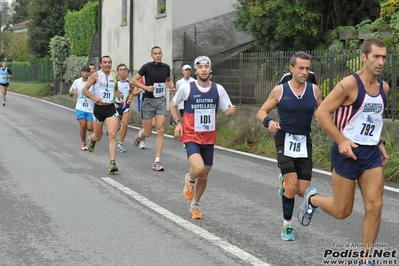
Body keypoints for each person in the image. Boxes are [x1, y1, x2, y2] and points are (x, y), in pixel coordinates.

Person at [297, 38, 389, 266]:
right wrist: (341, 140)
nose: (381, 61)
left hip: (370, 155)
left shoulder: (383, 88)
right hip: (346, 153)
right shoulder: (349, 84)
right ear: (363, 57)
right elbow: (322, 114)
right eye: (376, 56)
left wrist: (379, 142)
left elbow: (372, 119)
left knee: (375, 205)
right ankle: (313, 199)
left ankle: (366, 260)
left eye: (384, 57)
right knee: (342, 211)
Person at [256, 52, 323, 241]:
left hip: (304, 142)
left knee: (302, 191)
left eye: (307, 68)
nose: (304, 72)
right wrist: (268, 122)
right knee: (292, 187)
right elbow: (261, 112)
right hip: (284, 139)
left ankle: (283, 184)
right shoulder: (280, 90)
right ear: (291, 69)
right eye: (301, 68)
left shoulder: (314, 90)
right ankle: (287, 224)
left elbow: (324, 111)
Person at [170, 55, 236, 220]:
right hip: (191, 135)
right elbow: (173, 104)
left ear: (211, 69)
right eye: (200, 67)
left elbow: (225, 111)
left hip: (209, 138)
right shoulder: (187, 88)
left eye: (206, 66)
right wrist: (178, 122)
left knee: (205, 175)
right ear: (196, 70)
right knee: (198, 169)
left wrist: (229, 112)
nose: (204, 69)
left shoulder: (218, 89)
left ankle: (195, 204)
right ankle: (190, 178)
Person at [130, 46, 176, 171]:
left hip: (160, 100)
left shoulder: (166, 67)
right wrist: (145, 88)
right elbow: (133, 81)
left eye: (159, 53)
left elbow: (168, 79)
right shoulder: (146, 67)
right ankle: (141, 134)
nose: (158, 55)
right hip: (148, 101)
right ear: (151, 55)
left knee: (160, 129)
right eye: (155, 53)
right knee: (148, 132)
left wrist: (172, 88)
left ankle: (157, 161)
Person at [82, 55, 124, 173]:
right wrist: (94, 98)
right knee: (98, 136)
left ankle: (112, 162)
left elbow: (115, 88)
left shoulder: (114, 76)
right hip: (98, 109)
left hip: (110, 108)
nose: (107, 64)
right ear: (100, 64)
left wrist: (120, 98)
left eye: (109, 62)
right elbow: (85, 90)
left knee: (112, 134)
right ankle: (93, 139)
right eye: (105, 62)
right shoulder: (96, 75)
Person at [69, 65, 94, 151]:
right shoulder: (77, 82)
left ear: (89, 73)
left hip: (90, 108)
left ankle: (90, 135)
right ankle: (84, 143)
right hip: (80, 107)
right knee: (83, 125)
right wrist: (71, 93)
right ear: (81, 72)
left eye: (87, 71)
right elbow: (71, 93)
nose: (86, 73)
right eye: (84, 71)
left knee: (90, 128)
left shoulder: (92, 81)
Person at [114, 63, 134, 153]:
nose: (123, 72)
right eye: (121, 70)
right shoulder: (115, 82)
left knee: (125, 124)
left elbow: (131, 92)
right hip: (116, 105)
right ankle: (111, 130)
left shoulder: (129, 82)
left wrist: (130, 99)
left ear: (127, 72)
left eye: (124, 70)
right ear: (118, 72)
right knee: (117, 127)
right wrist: (113, 103)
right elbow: (110, 93)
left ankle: (120, 144)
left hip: (125, 106)